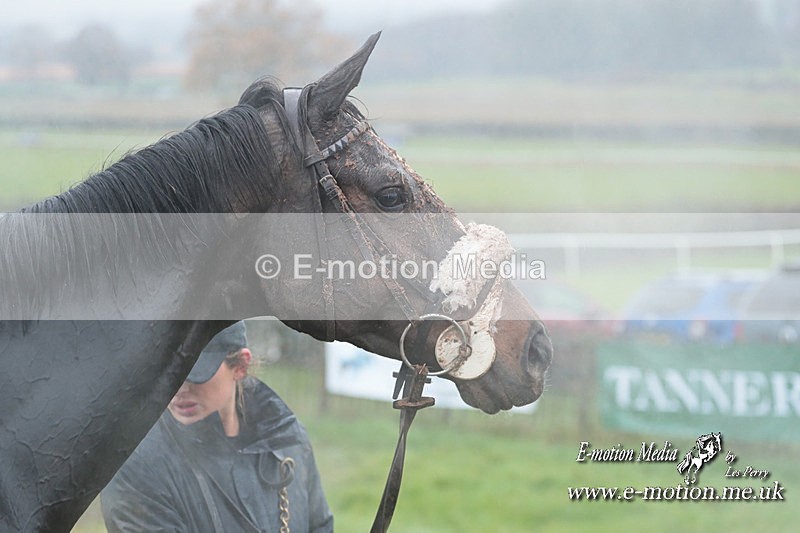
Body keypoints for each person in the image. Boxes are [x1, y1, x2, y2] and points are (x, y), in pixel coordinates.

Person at [101, 322, 333, 532]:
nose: (179, 388)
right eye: (169, 372)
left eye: (194, 373)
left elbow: (320, 526)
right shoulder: (135, 465)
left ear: (241, 365)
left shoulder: (286, 438)